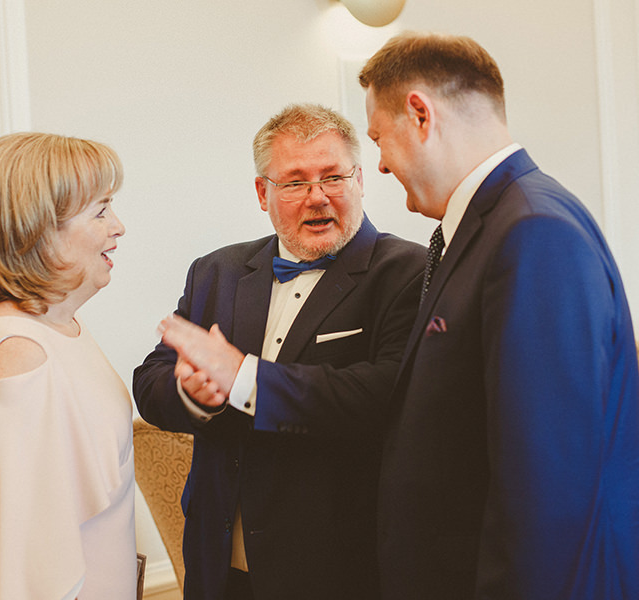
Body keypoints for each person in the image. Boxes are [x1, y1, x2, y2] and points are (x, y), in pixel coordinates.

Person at [358, 32, 639, 599]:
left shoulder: (533, 232)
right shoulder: (496, 222)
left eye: (378, 137)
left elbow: (549, 490)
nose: (379, 163)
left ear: (421, 115)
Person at [133, 103, 425, 600]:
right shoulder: (218, 271)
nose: (318, 197)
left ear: (359, 180)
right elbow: (152, 377)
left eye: (333, 177)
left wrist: (243, 377)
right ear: (262, 193)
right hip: (219, 563)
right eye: (295, 182)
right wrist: (193, 393)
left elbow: (382, 395)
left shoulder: (408, 272)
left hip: (337, 567)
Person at [0, 132, 137, 599]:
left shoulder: (57, 326)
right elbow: (26, 567)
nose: (118, 226)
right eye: (100, 211)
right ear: (38, 230)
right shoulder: (19, 355)